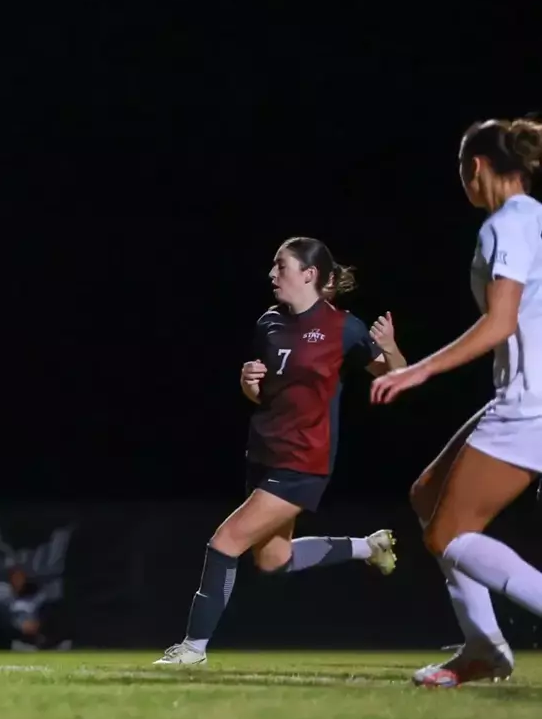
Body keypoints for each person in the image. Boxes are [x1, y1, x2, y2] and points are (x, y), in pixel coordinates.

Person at [156, 239, 406, 666]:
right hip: (264, 454)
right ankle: (369, 547)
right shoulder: (268, 323)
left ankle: (193, 649)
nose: (272, 275)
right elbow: (265, 393)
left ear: (309, 274)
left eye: (281, 266)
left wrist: (392, 348)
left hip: (304, 460)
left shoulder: (344, 327)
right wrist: (248, 383)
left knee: (224, 543)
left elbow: (397, 376)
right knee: (274, 560)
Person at [373, 117, 542, 687]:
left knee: (446, 535)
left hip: (529, 403)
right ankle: (482, 649)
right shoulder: (536, 219)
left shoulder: (506, 225)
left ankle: (485, 649)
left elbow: (499, 324)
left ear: (476, 168)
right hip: (525, 395)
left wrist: (417, 370)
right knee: (427, 494)